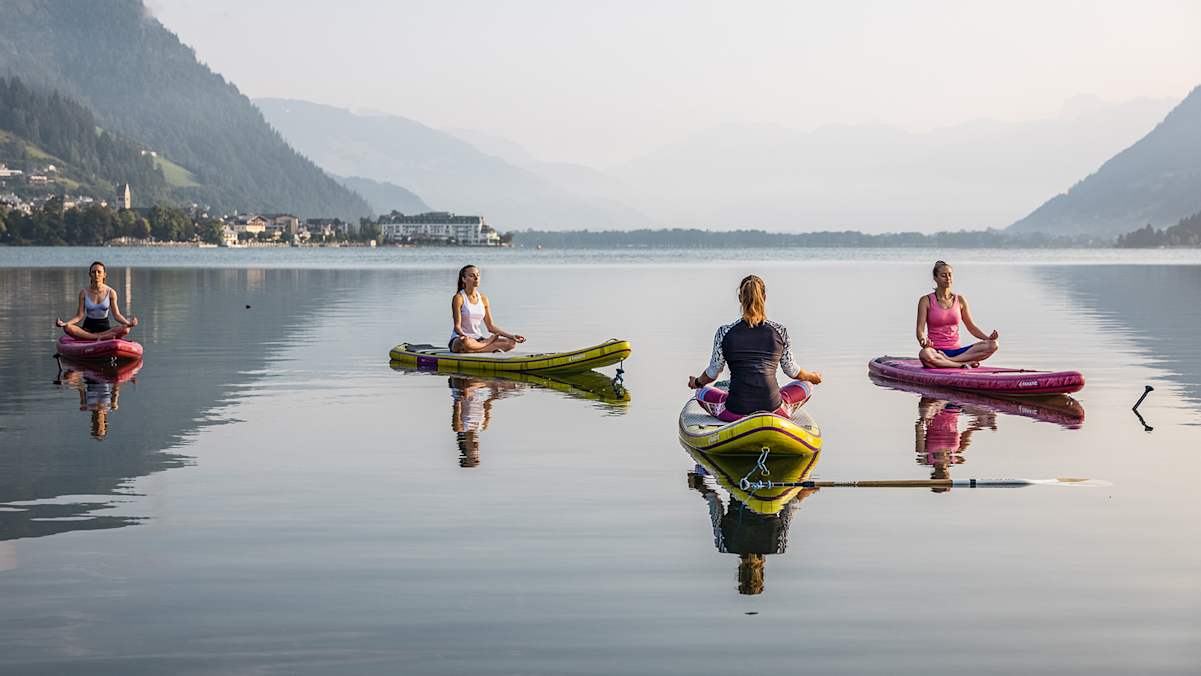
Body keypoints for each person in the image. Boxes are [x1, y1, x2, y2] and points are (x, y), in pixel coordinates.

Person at [687, 275, 821, 422]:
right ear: (764, 297)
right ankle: (782, 411)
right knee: (807, 385)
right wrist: (813, 377)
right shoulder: (780, 331)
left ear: (740, 298)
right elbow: (792, 371)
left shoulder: (724, 332)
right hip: (773, 408)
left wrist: (697, 382)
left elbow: (712, 373)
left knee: (700, 391)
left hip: (735, 410)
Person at [916, 260, 998, 368]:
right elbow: (920, 329)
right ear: (935, 278)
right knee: (925, 354)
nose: (948, 278)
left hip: (959, 353)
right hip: (936, 352)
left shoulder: (960, 300)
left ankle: (951, 361)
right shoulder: (925, 300)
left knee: (993, 345)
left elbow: (971, 327)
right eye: (943, 275)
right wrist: (923, 340)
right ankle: (960, 365)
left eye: (950, 275)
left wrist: (988, 338)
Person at [449, 265, 525, 353]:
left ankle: (474, 350)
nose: (476, 278)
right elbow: (457, 327)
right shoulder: (459, 298)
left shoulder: (483, 298)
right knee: (465, 343)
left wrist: (512, 336)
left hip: (478, 340)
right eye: (472, 275)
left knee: (511, 343)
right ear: (464, 279)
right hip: (461, 339)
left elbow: (490, 327)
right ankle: (486, 345)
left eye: (478, 275)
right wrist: (464, 336)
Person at [55, 261, 138, 341]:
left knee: (126, 329)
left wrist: (129, 323)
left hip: (105, 328)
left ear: (104, 275)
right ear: (90, 275)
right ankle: (98, 337)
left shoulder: (111, 292)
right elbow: (79, 316)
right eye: (93, 272)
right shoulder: (83, 293)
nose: (96, 274)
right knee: (68, 328)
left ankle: (93, 337)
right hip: (88, 328)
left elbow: (117, 315)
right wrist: (65, 323)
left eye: (99, 272)